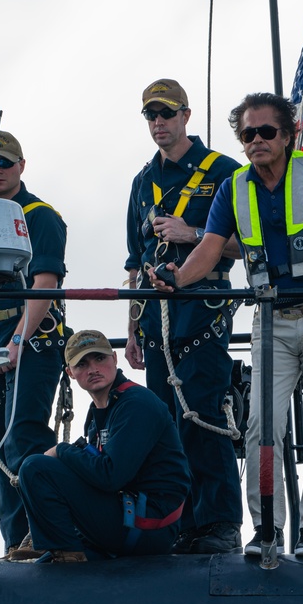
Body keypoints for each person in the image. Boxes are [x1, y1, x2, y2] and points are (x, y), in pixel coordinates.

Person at [150, 92, 303, 557]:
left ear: (289, 136)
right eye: (247, 133)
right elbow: (210, 249)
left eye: (266, 132)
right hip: (270, 320)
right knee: (261, 427)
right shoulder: (234, 189)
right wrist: (176, 278)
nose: (256, 140)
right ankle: (267, 530)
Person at [124, 79, 245, 554]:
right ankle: (181, 524)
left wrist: (192, 232)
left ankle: (219, 525)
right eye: (151, 115)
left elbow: (249, 246)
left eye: (167, 114)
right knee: (166, 427)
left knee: (203, 418)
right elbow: (136, 262)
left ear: (186, 116)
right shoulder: (142, 182)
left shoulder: (225, 173)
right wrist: (131, 329)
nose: (159, 123)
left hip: (202, 314)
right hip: (156, 322)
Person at [12, 330, 191, 563]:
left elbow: (111, 475)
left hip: (148, 526)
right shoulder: (98, 413)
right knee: (44, 562)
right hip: (127, 516)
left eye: (99, 358)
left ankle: (66, 552)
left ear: (114, 359)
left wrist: (62, 450)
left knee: (35, 467)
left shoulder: (137, 404)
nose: (93, 369)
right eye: (82, 364)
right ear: (70, 373)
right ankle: (59, 548)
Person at [0, 129, 70, 560]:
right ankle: (16, 541)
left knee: (23, 436)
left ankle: (43, 533)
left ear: (21, 166)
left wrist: (16, 341)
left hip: (33, 340)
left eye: (4, 163)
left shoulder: (41, 216)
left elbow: (44, 285)